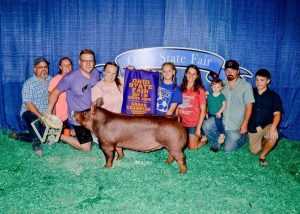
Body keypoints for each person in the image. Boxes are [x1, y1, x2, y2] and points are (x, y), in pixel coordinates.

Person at [47, 49, 100, 151]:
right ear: (79, 62)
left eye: (91, 61)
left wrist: (129, 70)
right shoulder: (69, 78)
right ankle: (59, 135)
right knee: (86, 148)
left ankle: (72, 132)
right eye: (85, 61)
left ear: (94, 62)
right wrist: (49, 112)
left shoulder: (96, 73)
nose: (88, 64)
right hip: (78, 117)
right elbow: (54, 93)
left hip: (93, 115)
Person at [203, 60, 255, 152]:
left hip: (235, 126)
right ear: (225, 72)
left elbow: (249, 106)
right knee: (206, 125)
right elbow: (213, 98)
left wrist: (245, 124)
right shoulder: (221, 84)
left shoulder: (246, 86)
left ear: (238, 71)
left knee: (228, 149)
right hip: (222, 121)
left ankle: (243, 137)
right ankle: (216, 144)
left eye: (233, 70)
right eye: (227, 70)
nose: (230, 72)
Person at [16, 57, 52, 157]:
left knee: (43, 136)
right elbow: (28, 104)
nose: (44, 69)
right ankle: (37, 146)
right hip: (29, 112)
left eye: (45, 67)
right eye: (40, 67)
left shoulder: (51, 80)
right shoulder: (28, 84)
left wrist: (48, 115)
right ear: (34, 69)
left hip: (45, 114)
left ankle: (17, 135)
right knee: (34, 118)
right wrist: (41, 116)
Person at [248, 69, 283, 166]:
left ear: (268, 81)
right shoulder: (250, 92)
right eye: (257, 80)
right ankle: (264, 140)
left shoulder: (274, 96)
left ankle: (263, 156)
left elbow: (277, 114)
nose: (258, 82)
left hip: (268, 124)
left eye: (262, 80)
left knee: (273, 135)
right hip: (253, 126)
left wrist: (273, 128)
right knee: (254, 152)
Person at [91, 61, 124, 158]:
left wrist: (133, 68)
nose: (111, 75)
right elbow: (96, 107)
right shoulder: (98, 87)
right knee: (108, 143)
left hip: (121, 120)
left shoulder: (120, 81)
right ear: (104, 72)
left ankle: (120, 152)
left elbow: (136, 78)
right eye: (109, 72)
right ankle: (118, 152)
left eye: (114, 73)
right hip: (105, 122)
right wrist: (98, 102)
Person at [177, 64, 206, 150]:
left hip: (193, 123)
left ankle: (205, 138)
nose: (191, 76)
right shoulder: (180, 87)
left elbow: (203, 111)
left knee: (192, 147)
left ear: (197, 76)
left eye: (194, 74)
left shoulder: (200, 90)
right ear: (185, 74)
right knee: (177, 144)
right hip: (181, 123)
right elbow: (177, 106)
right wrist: (176, 121)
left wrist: (198, 128)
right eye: (189, 73)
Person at [48, 57, 73, 141]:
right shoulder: (55, 80)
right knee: (53, 139)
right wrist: (54, 118)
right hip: (59, 118)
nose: (67, 67)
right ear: (60, 67)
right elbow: (51, 99)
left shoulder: (73, 79)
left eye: (69, 65)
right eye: (65, 65)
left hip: (69, 117)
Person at [207, 79, 226, 144]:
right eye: (214, 87)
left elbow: (224, 105)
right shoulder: (209, 95)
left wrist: (220, 112)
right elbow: (207, 103)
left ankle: (222, 134)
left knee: (218, 122)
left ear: (221, 87)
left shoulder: (221, 96)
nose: (216, 89)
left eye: (218, 87)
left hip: (218, 113)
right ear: (211, 87)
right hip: (210, 113)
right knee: (208, 125)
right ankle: (206, 135)